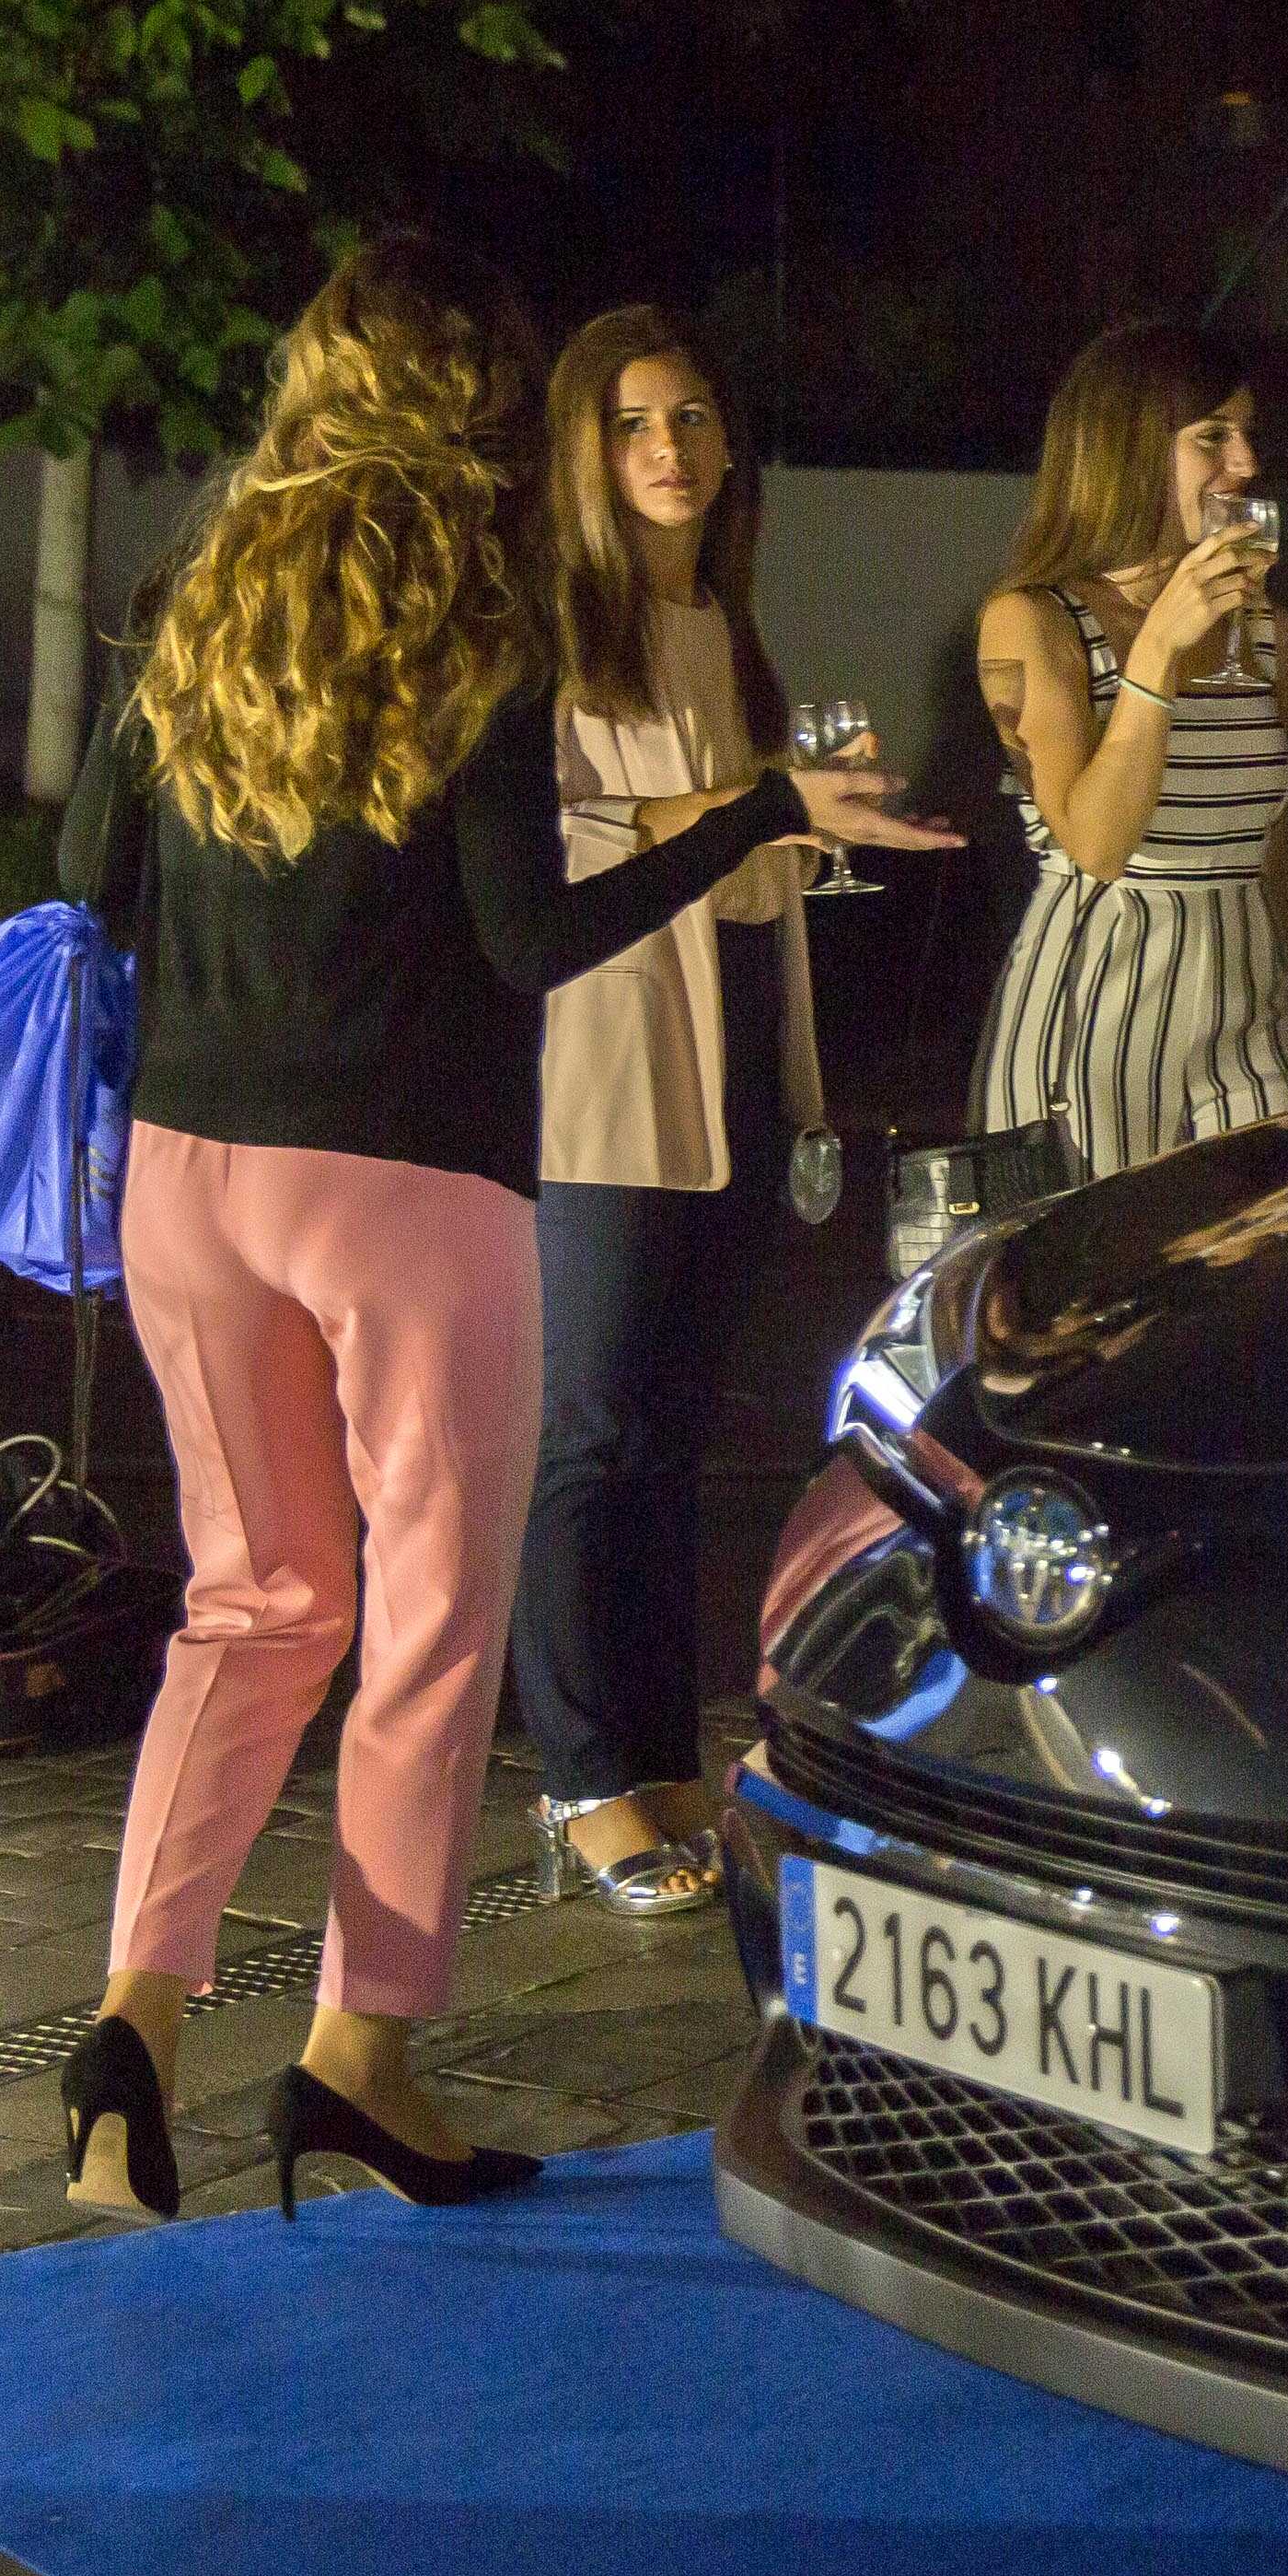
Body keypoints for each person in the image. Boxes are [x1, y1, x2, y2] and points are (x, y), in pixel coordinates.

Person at [50, 235, 950, 2224]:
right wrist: (758, 814)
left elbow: (81, 875)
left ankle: (136, 2024)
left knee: (250, 1602)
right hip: (410, 1186)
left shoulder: (200, 608)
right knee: (426, 1625)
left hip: (193, 1176)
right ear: (476, 415)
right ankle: (360, 2061)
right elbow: (533, 944)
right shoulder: (475, 628)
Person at [505, 307, 820, 1919]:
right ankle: (576, 1775)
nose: (673, 452)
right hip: (609, 1064)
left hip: (738, 1046)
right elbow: (558, 852)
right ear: (584, 451)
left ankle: (656, 1746)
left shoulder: (726, 624)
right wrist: (756, 811)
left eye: (694, 419)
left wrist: (828, 828)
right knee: (593, 1425)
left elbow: (751, 854)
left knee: (679, 1437)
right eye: (636, 425)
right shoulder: (557, 633)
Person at [969, 321, 1288, 1177]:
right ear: (1127, 450)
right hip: (1102, 1008)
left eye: (1247, 436)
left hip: (1250, 1000)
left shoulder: (1270, 634)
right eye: (1212, 438)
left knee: (1272, 1271)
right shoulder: (1035, 623)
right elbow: (1097, 843)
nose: (1246, 463)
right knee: (1107, 1299)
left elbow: (1272, 838)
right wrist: (1153, 657)